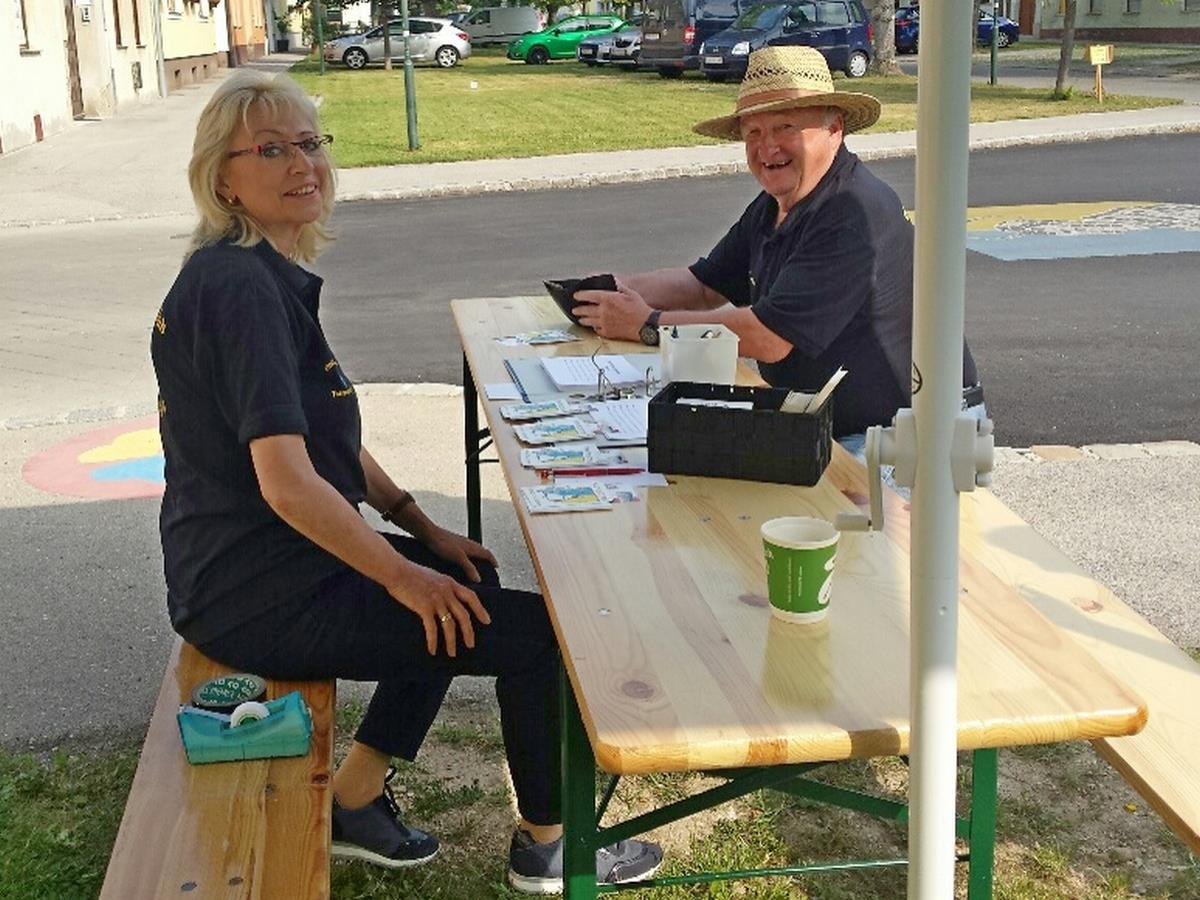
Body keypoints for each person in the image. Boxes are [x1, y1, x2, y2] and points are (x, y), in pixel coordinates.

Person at [150, 70, 661, 894]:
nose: (302, 164)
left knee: (463, 578)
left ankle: (355, 795)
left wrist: (421, 530)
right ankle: (549, 847)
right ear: (223, 179)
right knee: (536, 640)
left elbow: (323, 436)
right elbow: (287, 484)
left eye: (310, 144)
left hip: (262, 564)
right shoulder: (239, 290)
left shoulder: (250, 271)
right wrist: (401, 574)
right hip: (254, 591)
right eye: (271, 150)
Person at [574, 46, 984, 447]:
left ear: (835, 129)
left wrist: (647, 325)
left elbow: (769, 337)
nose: (767, 148)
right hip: (827, 423)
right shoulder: (776, 204)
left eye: (785, 127)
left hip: (906, 437)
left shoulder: (853, 210)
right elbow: (703, 286)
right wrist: (607, 289)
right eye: (753, 133)